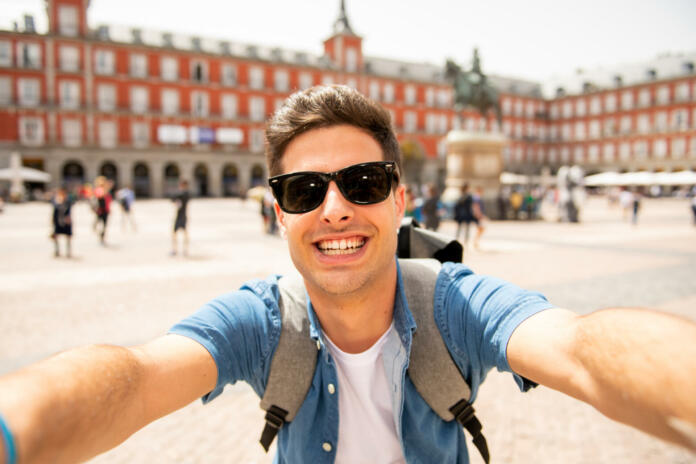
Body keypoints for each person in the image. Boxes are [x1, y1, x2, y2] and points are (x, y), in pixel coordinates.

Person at [1, 85, 695, 464]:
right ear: (280, 213)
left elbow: (581, 347)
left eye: (362, 182)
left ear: (401, 198)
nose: (335, 209)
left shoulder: (457, 306)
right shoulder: (262, 321)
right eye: (305, 190)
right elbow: (135, 379)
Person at [49, 187, 73, 258]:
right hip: (58, 221)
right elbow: (54, 211)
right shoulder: (56, 201)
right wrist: (52, 220)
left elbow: (69, 210)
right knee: (56, 236)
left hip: (66, 221)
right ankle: (57, 251)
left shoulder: (68, 201)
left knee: (68, 237)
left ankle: (68, 252)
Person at [171, 179, 190, 256]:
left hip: (180, 216)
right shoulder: (186, 194)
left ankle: (178, 250)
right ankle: (181, 250)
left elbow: (172, 198)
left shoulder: (183, 194)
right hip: (182, 215)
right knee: (181, 233)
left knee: (179, 233)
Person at [92, 176, 112, 245]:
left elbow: (108, 201)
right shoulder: (99, 189)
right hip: (100, 210)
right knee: (99, 224)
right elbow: (100, 196)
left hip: (106, 210)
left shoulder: (106, 190)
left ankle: (102, 236)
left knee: (104, 225)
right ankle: (100, 234)